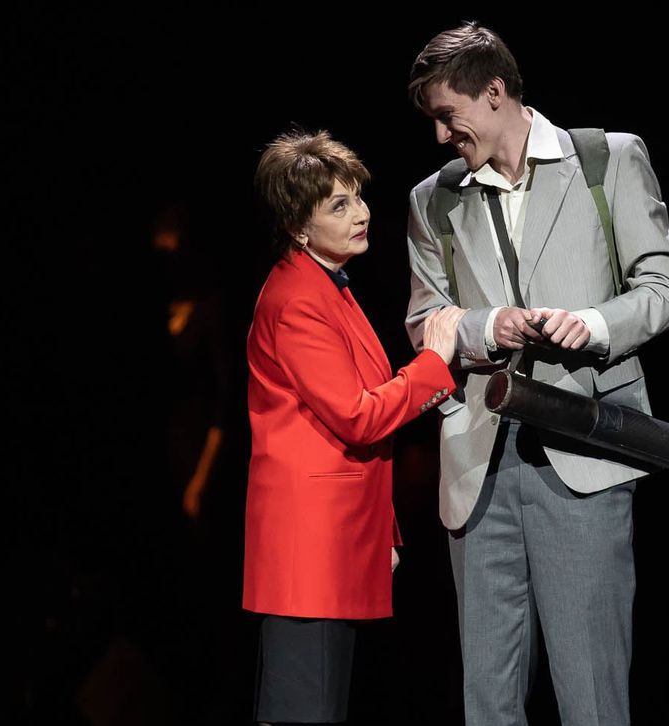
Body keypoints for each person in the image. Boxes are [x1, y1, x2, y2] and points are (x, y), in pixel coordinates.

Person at [402, 23, 669, 725]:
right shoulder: (432, 199)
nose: (440, 135)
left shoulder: (605, 160)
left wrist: (592, 324)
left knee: (590, 696)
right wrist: (484, 327)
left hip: (581, 456)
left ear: (494, 91)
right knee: (488, 703)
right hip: (479, 465)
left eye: (447, 115)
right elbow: (425, 319)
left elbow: (663, 286)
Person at [244, 129, 466, 724]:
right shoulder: (298, 300)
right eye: (339, 206)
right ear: (299, 227)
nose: (362, 214)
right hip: (309, 551)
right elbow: (358, 416)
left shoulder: (324, 285)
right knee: (304, 712)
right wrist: (434, 363)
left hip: (332, 542)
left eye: (358, 197)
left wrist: (381, 533)